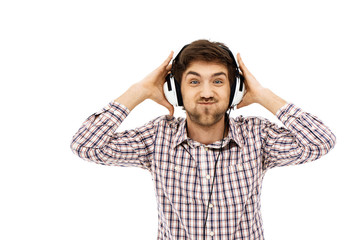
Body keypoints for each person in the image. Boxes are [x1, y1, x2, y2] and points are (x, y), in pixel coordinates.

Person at [71, 39, 336, 240]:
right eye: (194, 82)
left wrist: (263, 95)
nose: (206, 92)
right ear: (177, 91)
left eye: (218, 81)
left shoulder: (257, 136)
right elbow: (85, 145)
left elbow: (320, 141)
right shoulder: (156, 138)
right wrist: (138, 91)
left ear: (234, 90)